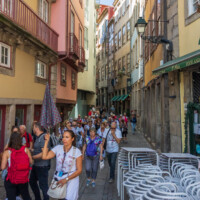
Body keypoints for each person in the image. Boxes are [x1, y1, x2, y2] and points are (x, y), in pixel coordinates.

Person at [42, 130, 82, 200]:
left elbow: (79, 170)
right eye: (63, 137)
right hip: (59, 177)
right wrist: (46, 141)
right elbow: (44, 156)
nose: (64, 139)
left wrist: (66, 179)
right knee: (59, 197)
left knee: (69, 198)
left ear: (72, 139)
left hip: (71, 180)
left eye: (67, 137)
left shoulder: (77, 152)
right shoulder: (58, 148)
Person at [1, 132, 33, 200]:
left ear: (11, 140)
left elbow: (2, 167)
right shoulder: (26, 150)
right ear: (20, 140)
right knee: (26, 196)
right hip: (23, 177)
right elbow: (31, 162)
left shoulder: (7, 152)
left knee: (11, 197)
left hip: (11, 178)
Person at [29, 122, 50, 200]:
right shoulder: (38, 137)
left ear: (36, 128)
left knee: (43, 186)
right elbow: (39, 150)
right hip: (36, 165)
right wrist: (31, 150)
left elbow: (44, 152)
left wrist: (32, 157)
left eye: (33, 127)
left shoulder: (43, 137)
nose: (33, 129)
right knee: (32, 182)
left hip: (42, 166)